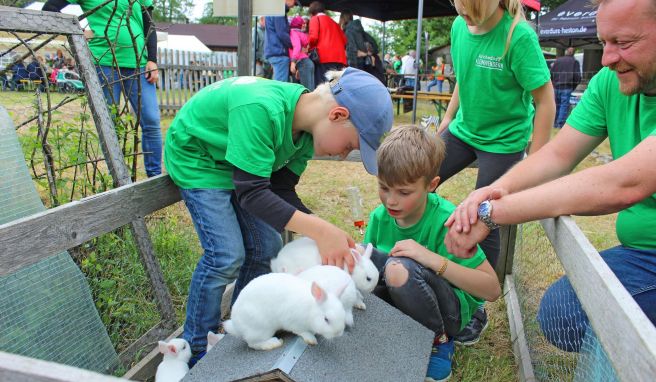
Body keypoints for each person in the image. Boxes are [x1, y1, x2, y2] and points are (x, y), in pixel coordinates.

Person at [444, 0, 656, 354]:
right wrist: (495, 191)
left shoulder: (518, 37)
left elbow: (623, 183)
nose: (607, 58)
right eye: (604, 43)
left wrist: (490, 214)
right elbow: (557, 154)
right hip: (643, 251)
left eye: (624, 42)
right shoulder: (608, 82)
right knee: (563, 314)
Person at [163, 67, 393, 366]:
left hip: (241, 168)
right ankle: (195, 349)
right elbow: (253, 193)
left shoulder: (305, 137)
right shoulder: (260, 109)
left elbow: (280, 188)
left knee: (266, 246)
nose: (340, 155)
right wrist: (320, 232)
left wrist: (323, 231)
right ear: (337, 115)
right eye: (349, 146)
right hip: (200, 159)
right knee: (225, 255)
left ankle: (239, 329)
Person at [436, 0, 556, 346]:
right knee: (414, 176)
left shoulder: (517, 37)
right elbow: (465, 74)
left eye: (472, 6)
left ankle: (475, 306)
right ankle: (416, 257)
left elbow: (545, 100)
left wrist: (537, 160)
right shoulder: (459, 26)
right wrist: (447, 120)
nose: (463, 12)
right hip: (463, 130)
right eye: (458, 3)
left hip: (503, 142)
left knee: (484, 216)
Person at [364, 125, 501, 382]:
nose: (391, 200)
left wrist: (431, 259)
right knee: (360, 257)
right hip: (404, 300)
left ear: (432, 184)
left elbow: (492, 289)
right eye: (384, 188)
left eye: (404, 192)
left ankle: (440, 341)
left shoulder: (448, 221)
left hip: (448, 312)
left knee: (398, 268)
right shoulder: (379, 218)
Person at [43, 0, 163, 177]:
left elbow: (149, 24)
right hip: (104, 62)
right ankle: (119, 179)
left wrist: (152, 59)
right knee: (109, 124)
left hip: (139, 62)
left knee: (151, 120)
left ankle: (155, 176)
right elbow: (50, 8)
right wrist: (77, 31)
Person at [308, 1, 347, 85]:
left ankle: (325, 98)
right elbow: (345, 40)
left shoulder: (315, 19)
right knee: (335, 84)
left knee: (323, 85)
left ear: (312, 12)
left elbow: (313, 38)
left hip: (324, 58)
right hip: (339, 59)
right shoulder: (335, 23)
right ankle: (337, 97)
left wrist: (308, 48)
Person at [550, 47, 582, 128]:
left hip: (556, 86)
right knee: (564, 105)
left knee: (556, 105)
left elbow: (551, 73)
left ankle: (554, 123)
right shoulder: (574, 61)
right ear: (573, 53)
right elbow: (577, 76)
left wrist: (553, 83)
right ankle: (559, 124)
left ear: (566, 52)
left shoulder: (558, 60)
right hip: (567, 86)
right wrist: (573, 86)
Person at [264, 0, 295, 82]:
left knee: (277, 83)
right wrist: (295, 45)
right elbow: (282, 33)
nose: (294, 5)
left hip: (274, 51)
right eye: (294, 2)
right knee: (280, 86)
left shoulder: (273, 9)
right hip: (279, 52)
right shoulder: (279, 11)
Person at [289, 15, 314, 90]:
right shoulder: (302, 34)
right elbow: (305, 49)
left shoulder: (293, 32)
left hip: (302, 63)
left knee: (306, 90)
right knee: (310, 89)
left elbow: (297, 46)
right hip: (307, 63)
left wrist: (293, 62)